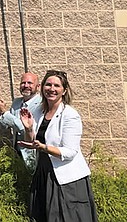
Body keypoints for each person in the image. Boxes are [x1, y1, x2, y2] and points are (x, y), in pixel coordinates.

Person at [18, 70, 98, 221]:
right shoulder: (38, 111)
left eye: (57, 85)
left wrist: (43, 147)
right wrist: (28, 129)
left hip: (66, 179)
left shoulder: (70, 115)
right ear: (42, 88)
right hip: (43, 173)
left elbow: (70, 152)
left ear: (64, 90)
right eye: (48, 84)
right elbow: (32, 141)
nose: (52, 89)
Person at [0, 72, 42, 173]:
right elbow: (4, 127)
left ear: (38, 86)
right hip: (17, 153)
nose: (26, 85)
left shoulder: (41, 104)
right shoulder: (16, 103)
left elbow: (26, 129)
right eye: (23, 83)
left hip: (34, 154)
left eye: (30, 83)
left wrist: (5, 112)